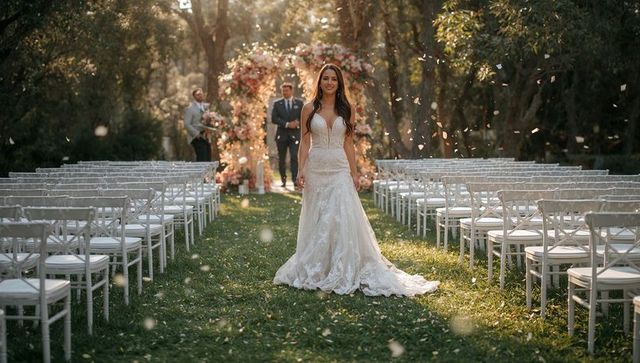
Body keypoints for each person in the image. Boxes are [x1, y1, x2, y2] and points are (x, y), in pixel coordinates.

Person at [273, 64, 439, 296]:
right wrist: (301, 169)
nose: (329, 82)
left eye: (333, 79)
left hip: (340, 167)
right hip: (316, 167)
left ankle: (345, 263)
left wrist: (354, 172)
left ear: (339, 83)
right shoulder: (308, 108)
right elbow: (304, 141)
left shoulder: (347, 108)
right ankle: (319, 265)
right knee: (319, 216)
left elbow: (349, 143)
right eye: (326, 78)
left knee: (341, 214)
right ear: (319, 82)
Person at [271, 82, 303, 187]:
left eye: (286, 90)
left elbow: (303, 116)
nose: (284, 92)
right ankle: (283, 181)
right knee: (282, 158)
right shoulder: (277, 104)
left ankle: (294, 180)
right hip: (282, 135)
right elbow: (274, 118)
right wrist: (287, 124)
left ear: (291, 91)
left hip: (295, 135)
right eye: (283, 90)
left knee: (294, 156)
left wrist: (297, 122)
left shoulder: (299, 103)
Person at [184, 88, 211, 162]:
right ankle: (200, 173)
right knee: (202, 157)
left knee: (208, 157)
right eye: (198, 94)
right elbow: (186, 124)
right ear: (194, 96)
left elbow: (209, 120)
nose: (200, 96)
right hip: (196, 137)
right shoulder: (189, 109)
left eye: (201, 94)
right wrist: (196, 134)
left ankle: (207, 174)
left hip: (205, 135)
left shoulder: (206, 107)